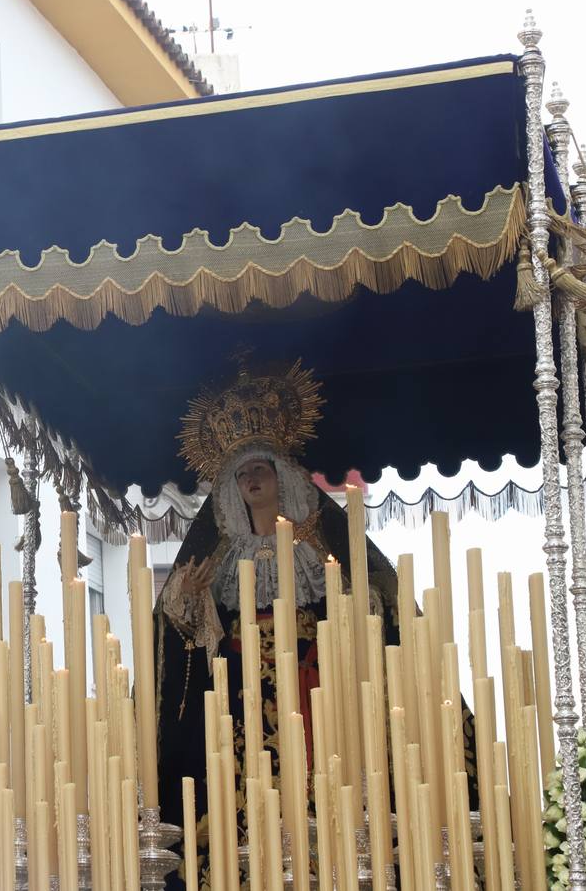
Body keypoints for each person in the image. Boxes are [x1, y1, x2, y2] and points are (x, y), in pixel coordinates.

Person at [153, 362, 405, 889]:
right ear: (231, 487)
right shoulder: (220, 552)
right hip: (242, 685)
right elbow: (187, 636)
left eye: (260, 469)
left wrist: (356, 604)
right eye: (242, 474)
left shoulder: (321, 538)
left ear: (280, 474)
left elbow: (373, 597)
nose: (251, 480)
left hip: (315, 685)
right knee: (248, 778)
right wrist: (188, 602)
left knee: (319, 775)